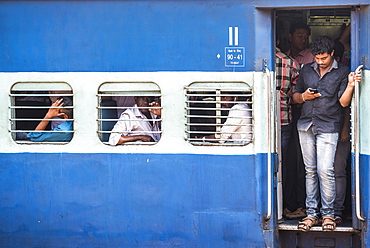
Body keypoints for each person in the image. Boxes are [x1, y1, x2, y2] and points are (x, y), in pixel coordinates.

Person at [293, 36, 362, 232]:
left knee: (325, 170)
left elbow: (343, 102)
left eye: (324, 58)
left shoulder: (342, 72)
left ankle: (329, 214)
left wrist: (350, 85)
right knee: (310, 171)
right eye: (317, 58)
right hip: (306, 124)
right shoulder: (306, 70)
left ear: (332, 54)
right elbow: (295, 96)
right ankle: (312, 214)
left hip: (329, 126)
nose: (320, 62)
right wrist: (304, 96)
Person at [275, 37, 303, 219]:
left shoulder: (250, 63)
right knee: (281, 164)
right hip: (284, 119)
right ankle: (282, 205)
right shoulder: (292, 63)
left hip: (257, 121)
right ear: (279, 40)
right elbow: (294, 97)